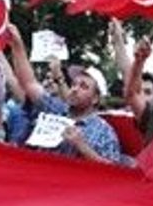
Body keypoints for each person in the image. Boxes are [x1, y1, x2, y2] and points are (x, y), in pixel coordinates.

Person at [8, 24, 121, 163]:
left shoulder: (104, 132)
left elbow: (114, 173)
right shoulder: (56, 110)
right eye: (74, 84)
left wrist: (83, 147)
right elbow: (29, 83)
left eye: (83, 87)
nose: (74, 89)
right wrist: (17, 44)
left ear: (96, 98)